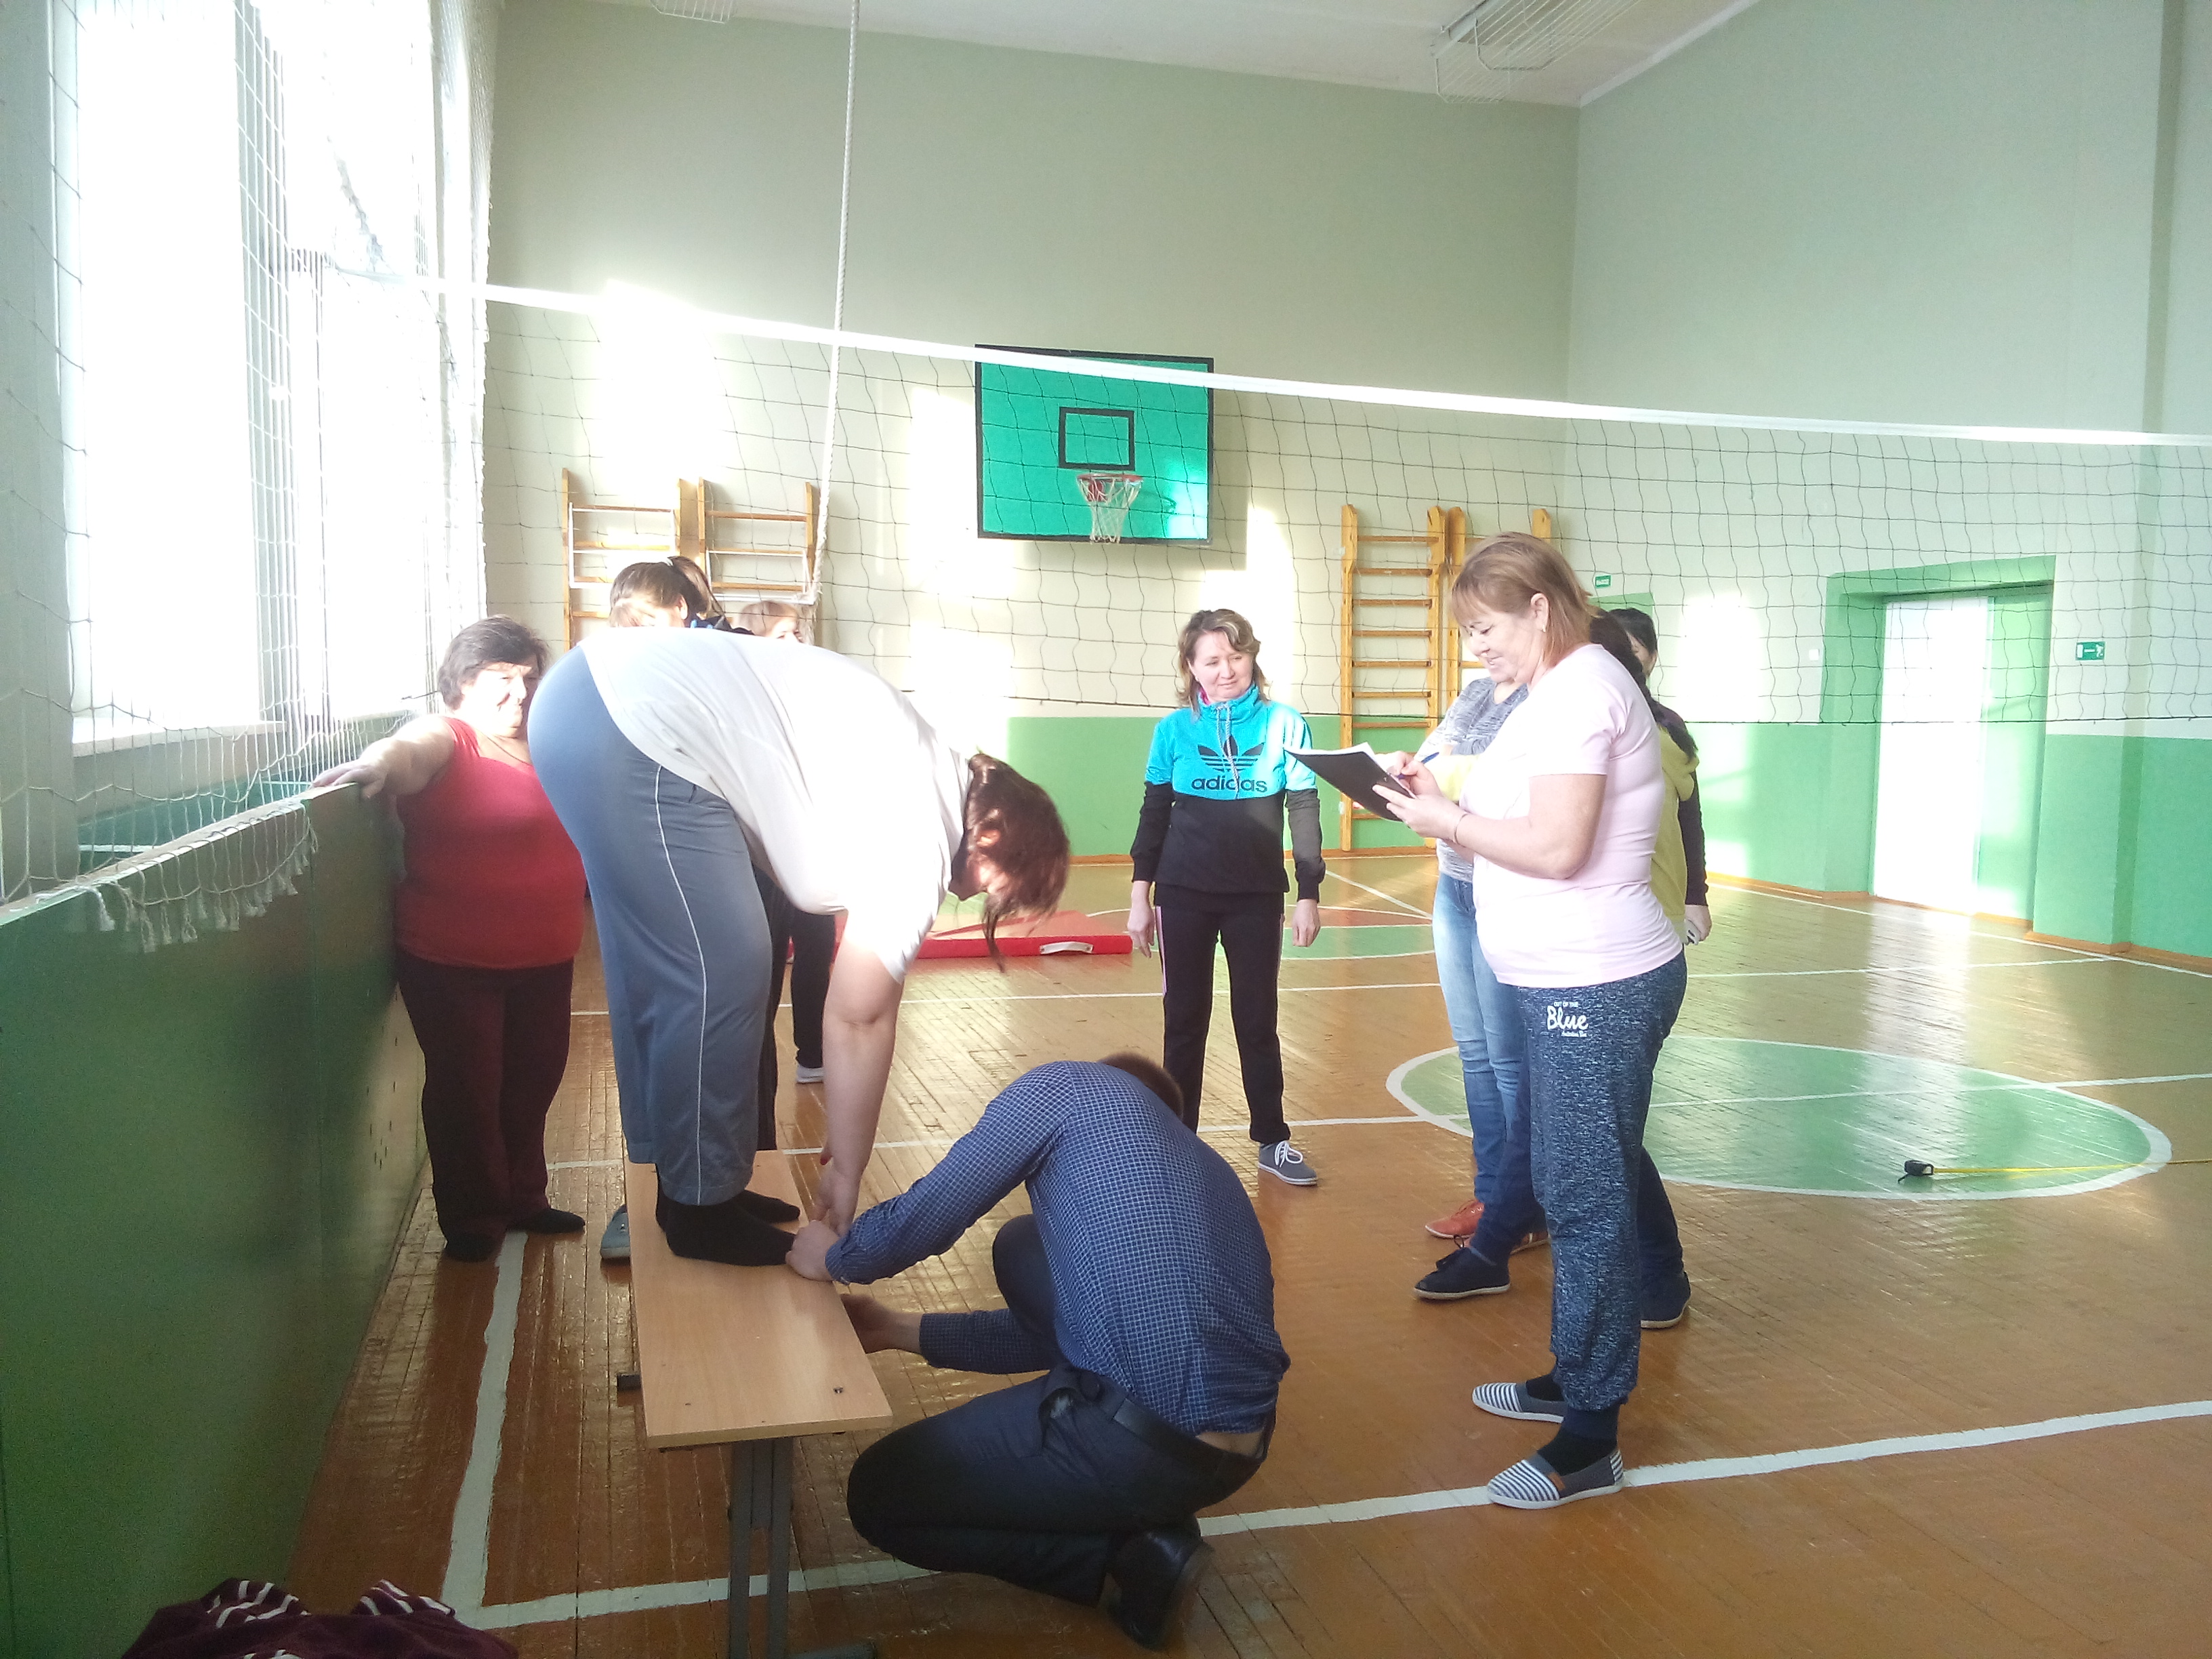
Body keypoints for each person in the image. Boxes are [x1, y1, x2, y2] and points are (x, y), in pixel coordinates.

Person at [527, 626, 1069, 1263]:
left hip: (592, 706)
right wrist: (847, 1172)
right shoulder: (922, 826)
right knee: (724, 966)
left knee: (670, 966)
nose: (983, 898)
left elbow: (878, 997)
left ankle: (692, 1185)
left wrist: (847, 1129)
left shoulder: (925, 773)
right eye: (1004, 887)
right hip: (625, 723)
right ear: (994, 834)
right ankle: (700, 1209)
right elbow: (859, 1017)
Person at [1379, 533, 1689, 1511]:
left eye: (1487, 628)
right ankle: (1574, 1373)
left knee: (1587, 1204)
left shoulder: (1584, 690)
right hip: (1564, 982)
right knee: (1567, 1183)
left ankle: (1590, 1438)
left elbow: (1558, 849)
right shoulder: (1548, 694)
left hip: (1598, 985)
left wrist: (1446, 825)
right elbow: (1518, 811)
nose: (1476, 648)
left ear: (1542, 610)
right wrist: (1435, 795)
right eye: (1467, 632)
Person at [787, 1057, 1286, 1652]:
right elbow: (1058, 1338)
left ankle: (1127, 1556)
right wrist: (893, 1328)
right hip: (1234, 1455)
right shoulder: (1204, 1174)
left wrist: (834, 1256)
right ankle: (1140, 1522)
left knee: (878, 1494)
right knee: (1028, 1247)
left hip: (1133, 1440)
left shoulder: (1067, 1087)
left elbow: (932, 1212)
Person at [313, 618, 588, 1263]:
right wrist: (376, 764)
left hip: (547, 957)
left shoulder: (550, 745)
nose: (520, 693)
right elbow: (406, 751)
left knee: (533, 1081)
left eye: (529, 678)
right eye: (501, 678)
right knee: (468, 1089)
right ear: (461, 684)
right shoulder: (448, 738)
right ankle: (474, 1216)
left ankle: (524, 1197)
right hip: (453, 961)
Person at [1126, 609, 1325, 1187]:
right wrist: (1140, 897)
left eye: (1236, 657)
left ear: (1252, 658)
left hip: (1256, 896)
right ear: (1191, 667)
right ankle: (1177, 1144)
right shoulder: (1172, 730)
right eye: (1212, 660)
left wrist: (1308, 892)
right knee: (1184, 1022)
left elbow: (1304, 809)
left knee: (1257, 1020)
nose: (1226, 670)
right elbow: (1153, 815)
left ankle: (1273, 1141)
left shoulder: (1285, 723)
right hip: (1183, 894)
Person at [1603, 607, 1713, 944]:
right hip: (1604, 902)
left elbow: (1689, 819)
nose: (1622, 659)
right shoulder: (1589, 719)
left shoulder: (1667, 728)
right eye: (1613, 650)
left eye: (1632, 650)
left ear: (1652, 658)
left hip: (1658, 898)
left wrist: (1696, 896)